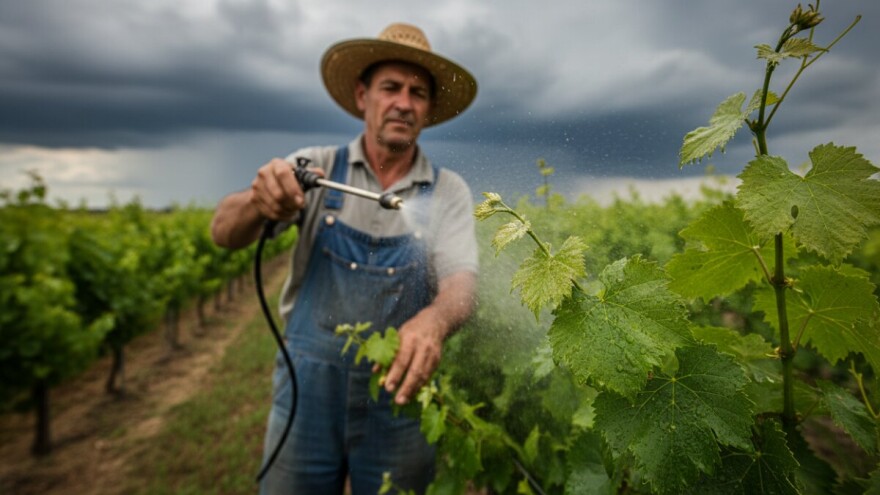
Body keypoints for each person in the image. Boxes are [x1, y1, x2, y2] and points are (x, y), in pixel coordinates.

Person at [210, 22, 479, 495]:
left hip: (399, 395)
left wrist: (434, 321)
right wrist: (258, 200)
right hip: (306, 393)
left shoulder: (448, 191)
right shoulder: (315, 169)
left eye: (417, 93)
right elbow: (222, 232)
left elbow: (461, 281)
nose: (403, 103)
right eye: (390, 87)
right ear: (362, 95)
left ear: (428, 108)